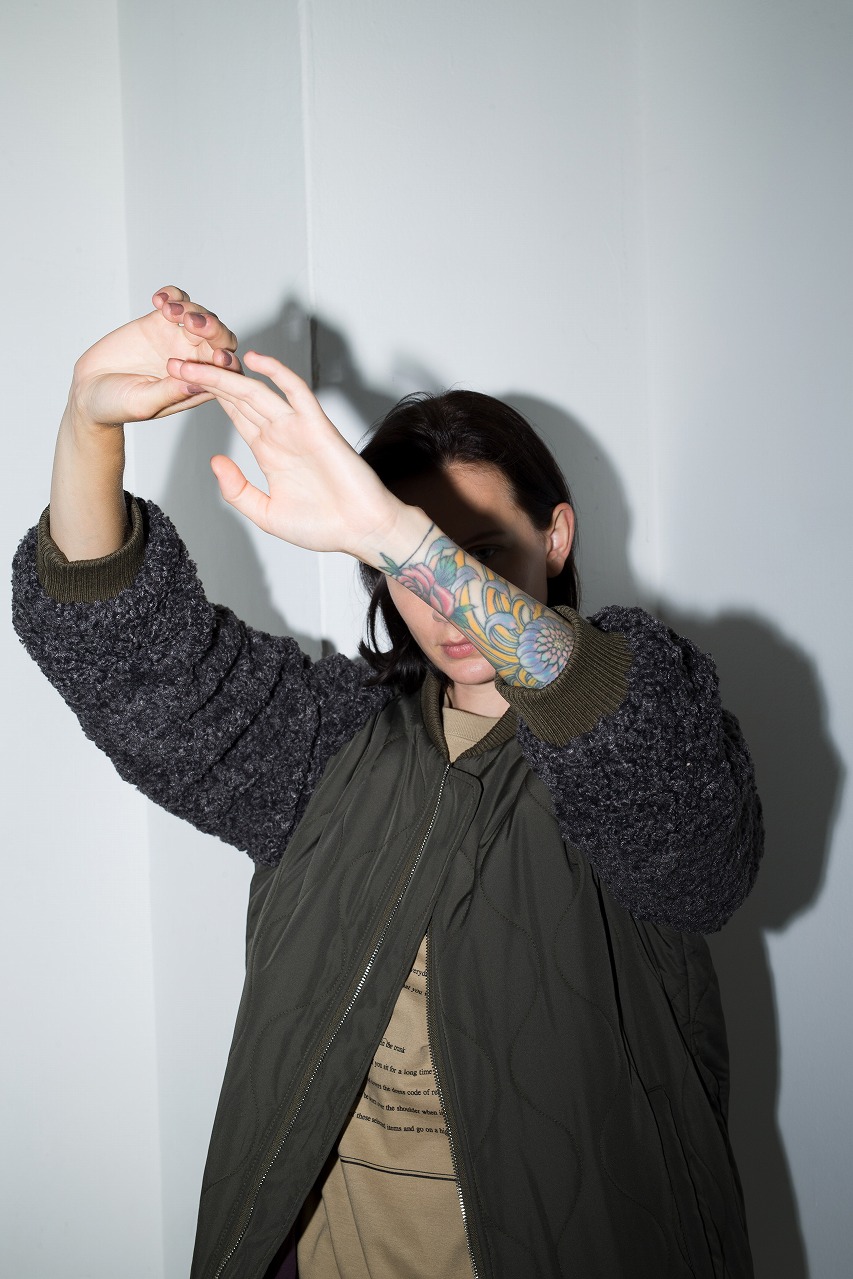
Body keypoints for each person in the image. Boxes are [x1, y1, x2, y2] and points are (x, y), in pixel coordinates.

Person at [12, 287, 763, 1279]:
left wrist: (405, 538)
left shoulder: (639, 729)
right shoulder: (328, 742)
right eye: (405, 572)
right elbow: (131, 661)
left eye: (473, 553)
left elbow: (699, 852)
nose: (437, 601)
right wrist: (87, 423)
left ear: (555, 536)